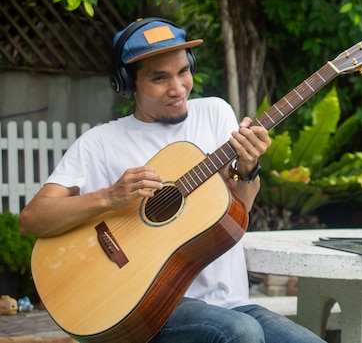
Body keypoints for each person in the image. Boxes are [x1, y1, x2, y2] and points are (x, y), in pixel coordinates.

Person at [19, 18, 327, 343]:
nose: (178, 88)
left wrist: (248, 168)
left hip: (233, 305)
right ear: (127, 83)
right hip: (150, 309)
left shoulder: (215, 113)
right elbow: (32, 219)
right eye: (159, 78)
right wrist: (110, 196)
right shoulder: (100, 143)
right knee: (241, 334)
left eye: (183, 72)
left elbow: (239, 212)